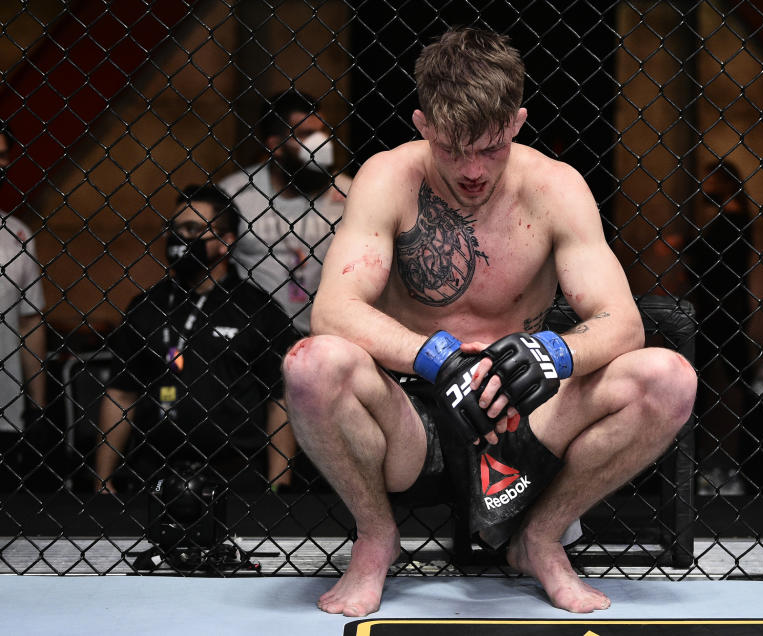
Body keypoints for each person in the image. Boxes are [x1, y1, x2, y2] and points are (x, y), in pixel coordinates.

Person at [282, 28, 697, 617]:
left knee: (668, 378)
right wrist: (438, 357)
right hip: (414, 416)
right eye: (453, 148)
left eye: (491, 147)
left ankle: (541, 537)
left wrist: (551, 353)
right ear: (423, 124)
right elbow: (333, 310)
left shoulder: (555, 187)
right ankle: (376, 538)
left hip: (524, 414)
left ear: (519, 122)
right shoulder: (387, 178)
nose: (473, 169)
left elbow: (620, 322)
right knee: (312, 363)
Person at [94, 185, 298, 495]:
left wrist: (279, 485)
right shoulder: (146, 306)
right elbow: (121, 394)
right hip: (155, 475)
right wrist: (102, 480)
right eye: (174, 228)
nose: (180, 239)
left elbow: (280, 401)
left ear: (225, 241)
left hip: (236, 478)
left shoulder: (258, 310)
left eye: (192, 228)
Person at [219, 89, 348, 336]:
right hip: (256, 337)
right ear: (275, 145)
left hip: (333, 336)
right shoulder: (235, 195)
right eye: (306, 134)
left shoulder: (351, 194)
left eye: (324, 132)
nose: (321, 142)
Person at [684, 160, 754, 496]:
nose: (704, 187)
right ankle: (699, 464)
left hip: (722, 311)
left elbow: (714, 259)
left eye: (710, 180)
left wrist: (684, 246)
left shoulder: (734, 218)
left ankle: (714, 465)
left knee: (716, 382)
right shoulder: (728, 218)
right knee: (710, 382)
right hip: (719, 310)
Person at [0, 115, 48, 493]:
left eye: (0, 156)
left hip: (3, 409)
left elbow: (30, 322)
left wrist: (39, 406)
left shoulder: (18, 235)